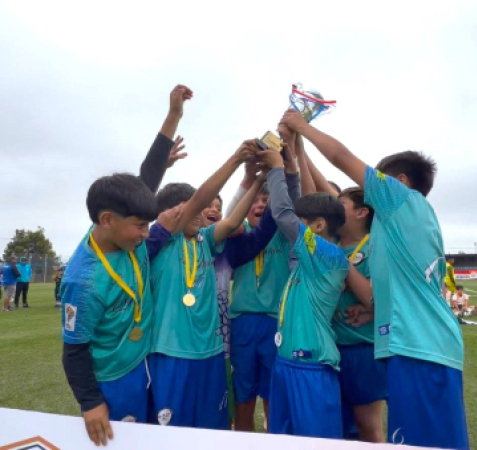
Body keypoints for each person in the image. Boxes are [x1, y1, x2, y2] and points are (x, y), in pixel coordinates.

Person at [280, 109, 468, 449]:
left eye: (378, 179)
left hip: (422, 347)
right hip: (413, 345)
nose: (369, 189)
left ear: (400, 181)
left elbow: (341, 157)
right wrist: (374, 310)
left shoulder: (402, 200)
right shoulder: (392, 226)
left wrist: (301, 126)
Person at [61, 85, 192, 446]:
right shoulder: (83, 281)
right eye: (140, 226)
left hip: (146, 362)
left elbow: (146, 178)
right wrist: (91, 403)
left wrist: (174, 115)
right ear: (106, 220)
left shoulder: (124, 231)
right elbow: (74, 350)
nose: (146, 234)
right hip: (113, 378)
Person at [148, 140, 262, 430]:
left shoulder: (205, 240)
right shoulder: (165, 241)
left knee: (213, 431)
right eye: (196, 209)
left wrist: (258, 181)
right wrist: (235, 159)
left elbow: (233, 220)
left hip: (211, 353)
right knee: (172, 435)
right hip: (172, 353)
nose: (202, 213)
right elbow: (200, 199)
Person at [258, 146, 362, 439]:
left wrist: (275, 169)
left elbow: (282, 213)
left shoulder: (327, 254)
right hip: (286, 362)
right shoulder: (307, 258)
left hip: (311, 367)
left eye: (301, 222)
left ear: (318, 225)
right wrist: (290, 163)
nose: (294, 228)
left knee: (315, 442)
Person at [223, 132, 300, 432]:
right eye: (254, 201)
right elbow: (230, 214)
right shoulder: (237, 232)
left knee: (273, 399)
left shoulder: (282, 232)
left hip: (274, 322)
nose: (259, 205)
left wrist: (286, 163)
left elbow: (291, 203)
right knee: (243, 399)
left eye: (265, 201)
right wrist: (250, 179)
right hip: (241, 323)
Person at [333, 187, 386, 443]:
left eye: (340, 203)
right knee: (337, 426)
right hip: (329, 350)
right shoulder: (330, 243)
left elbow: (372, 298)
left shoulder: (376, 246)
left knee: (367, 426)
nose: (333, 208)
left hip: (362, 348)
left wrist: (343, 265)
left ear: (362, 212)